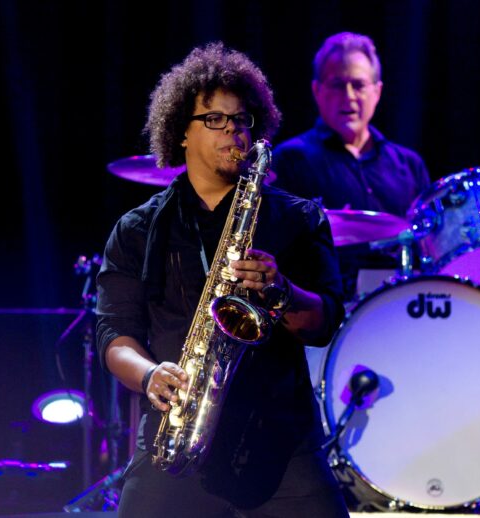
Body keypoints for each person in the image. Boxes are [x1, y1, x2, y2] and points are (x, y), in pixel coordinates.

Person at [95, 42, 350, 517]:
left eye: (241, 119)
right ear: (181, 133)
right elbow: (114, 333)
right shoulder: (138, 229)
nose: (233, 129)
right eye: (215, 119)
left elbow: (326, 322)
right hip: (178, 434)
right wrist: (150, 374)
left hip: (282, 442)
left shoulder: (298, 218)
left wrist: (282, 293)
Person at [271, 31, 431, 301]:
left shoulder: (409, 164)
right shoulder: (289, 160)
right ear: (317, 90)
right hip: (328, 313)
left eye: (358, 85)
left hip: (403, 308)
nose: (348, 96)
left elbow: (429, 246)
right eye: (337, 84)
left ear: (377, 91)